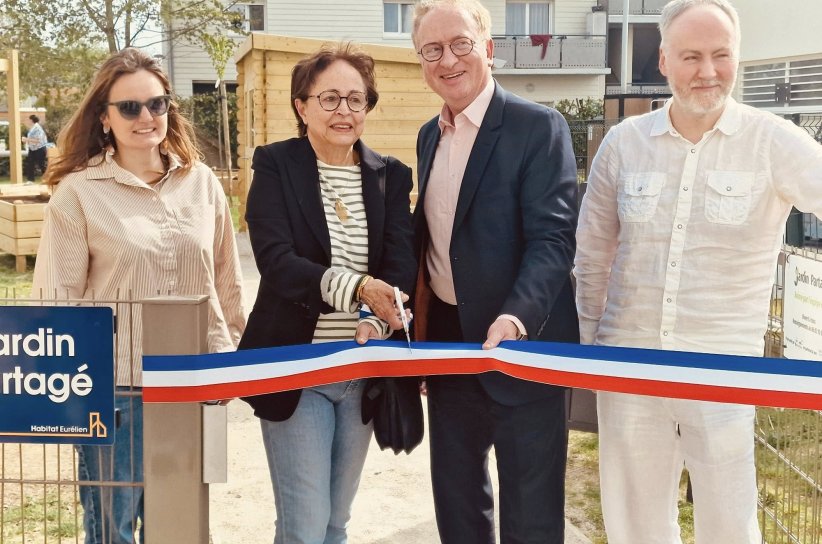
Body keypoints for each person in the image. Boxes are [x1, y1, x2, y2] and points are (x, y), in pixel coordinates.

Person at [574, 1, 822, 542]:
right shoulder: (623, 143)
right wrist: (593, 347)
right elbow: (592, 255)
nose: (707, 71)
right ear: (663, 59)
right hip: (629, 364)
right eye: (691, 56)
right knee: (636, 522)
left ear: (737, 57)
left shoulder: (774, 141)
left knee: (730, 524)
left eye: (720, 55)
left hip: (723, 372)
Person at [32, 48, 246, 544]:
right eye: (130, 107)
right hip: (116, 394)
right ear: (104, 118)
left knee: (182, 527)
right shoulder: (79, 194)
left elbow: (226, 284)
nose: (146, 117)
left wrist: (228, 359)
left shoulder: (203, 185)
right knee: (112, 529)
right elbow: (58, 301)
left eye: (157, 103)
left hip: (193, 385)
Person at [411, 1, 580, 542]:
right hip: (449, 352)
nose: (447, 59)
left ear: (487, 47)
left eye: (460, 43)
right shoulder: (428, 136)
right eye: (431, 50)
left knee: (531, 517)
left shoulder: (538, 127)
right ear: (420, 62)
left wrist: (515, 317)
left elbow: (553, 240)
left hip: (522, 348)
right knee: (458, 509)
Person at [238, 42, 416, 544]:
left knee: (336, 521)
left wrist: (376, 317)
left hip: (362, 368)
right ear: (302, 105)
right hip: (300, 368)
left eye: (357, 100)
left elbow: (399, 262)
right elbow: (277, 262)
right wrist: (358, 287)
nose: (345, 111)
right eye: (331, 98)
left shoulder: (390, 176)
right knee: (305, 525)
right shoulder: (275, 165)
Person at [23, 114, 48, 181]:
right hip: (33, 149)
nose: (27, 121)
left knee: (41, 164)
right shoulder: (33, 127)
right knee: (30, 164)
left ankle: (47, 178)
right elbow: (32, 139)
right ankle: (30, 180)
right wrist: (27, 141)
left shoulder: (37, 128)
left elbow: (38, 140)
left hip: (39, 148)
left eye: (28, 120)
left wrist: (26, 139)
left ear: (31, 120)